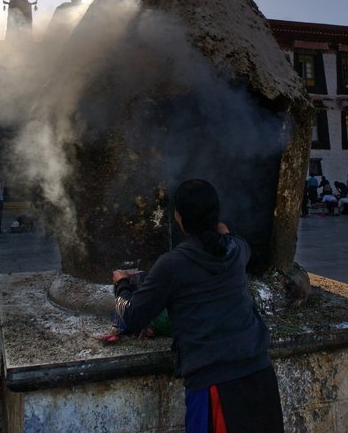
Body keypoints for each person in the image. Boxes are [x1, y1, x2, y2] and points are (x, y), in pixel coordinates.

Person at [113, 179, 285, 433]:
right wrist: (224, 233)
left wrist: (122, 285)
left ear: (179, 218)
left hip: (216, 387)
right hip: (260, 377)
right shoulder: (237, 250)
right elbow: (234, 241)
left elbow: (133, 316)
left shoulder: (172, 265)